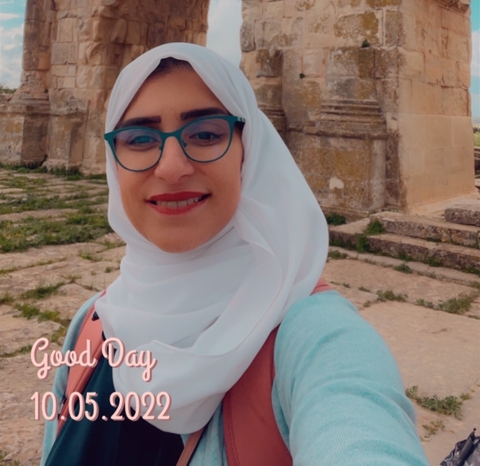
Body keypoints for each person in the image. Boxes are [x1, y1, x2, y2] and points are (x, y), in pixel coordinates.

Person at [40, 42, 430, 465]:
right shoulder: (91, 324)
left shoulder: (317, 340)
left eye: (206, 134)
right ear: (114, 161)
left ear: (250, 150)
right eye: (138, 138)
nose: (171, 168)